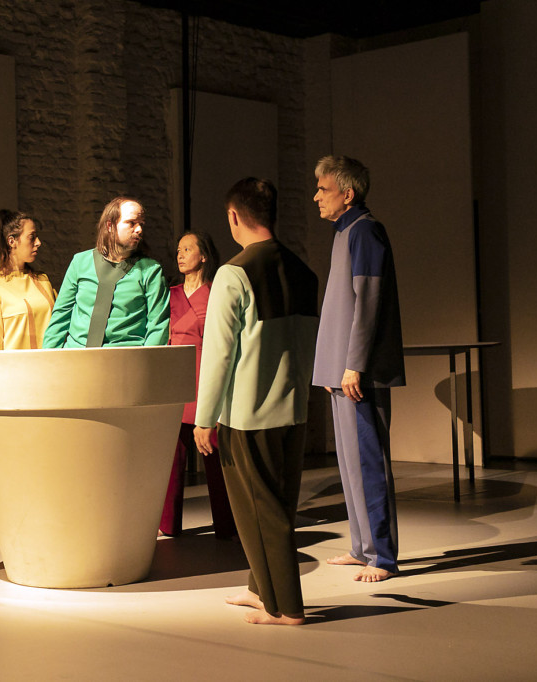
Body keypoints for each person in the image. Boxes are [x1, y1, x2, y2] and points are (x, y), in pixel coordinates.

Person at [193, 178, 318, 626]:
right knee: (275, 503)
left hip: (249, 413)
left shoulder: (235, 272)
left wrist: (204, 419)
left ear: (233, 217)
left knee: (263, 510)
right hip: (295, 408)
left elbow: (219, 353)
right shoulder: (304, 271)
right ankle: (259, 588)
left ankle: (286, 607)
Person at [312, 155, 405, 583]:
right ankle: (361, 547)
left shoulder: (366, 231)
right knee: (349, 462)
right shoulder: (344, 233)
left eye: (323, 189)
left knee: (368, 461)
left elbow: (368, 303)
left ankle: (383, 556)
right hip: (339, 369)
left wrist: (354, 365)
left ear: (346, 195)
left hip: (356, 372)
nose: (316, 196)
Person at [158, 231, 236, 539]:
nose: (180, 254)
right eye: (178, 249)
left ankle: (227, 524)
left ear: (203, 255)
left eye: (187, 249)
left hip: (207, 377)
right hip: (177, 379)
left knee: (214, 456)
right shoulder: (170, 293)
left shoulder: (217, 292)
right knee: (172, 458)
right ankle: (169, 524)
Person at [41, 197, 169, 348]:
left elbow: (158, 325)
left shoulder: (150, 270)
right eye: (131, 223)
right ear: (110, 225)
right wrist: (50, 360)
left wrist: (145, 366)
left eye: (141, 224)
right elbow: (61, 315)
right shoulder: (80, 262)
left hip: (124, 359)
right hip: (77, 356)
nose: (139, 229)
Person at [0, 210, 57, 350]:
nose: (38, 242)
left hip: (52, 367)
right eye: (32, 237)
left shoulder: (43, 281)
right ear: (11, 241)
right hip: (16, 369)